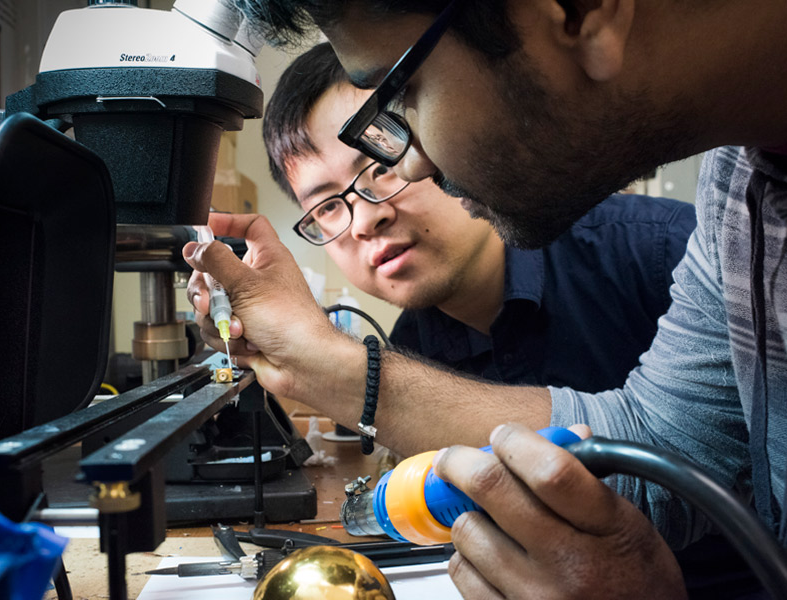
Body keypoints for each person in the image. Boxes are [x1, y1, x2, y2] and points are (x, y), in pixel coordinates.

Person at [183, 1, 787, 597]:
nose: (414, 163)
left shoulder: (658, 247)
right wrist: (322, 364)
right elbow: (659, 449)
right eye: (329, 207)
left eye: (405, 97)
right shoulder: (739, 192)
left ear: (579, 11)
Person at [265, 42, 697, 396]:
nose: (364, 220)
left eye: (381, 165)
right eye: (327, 206)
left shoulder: (666, 255)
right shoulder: (411, 354)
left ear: (435, 132)